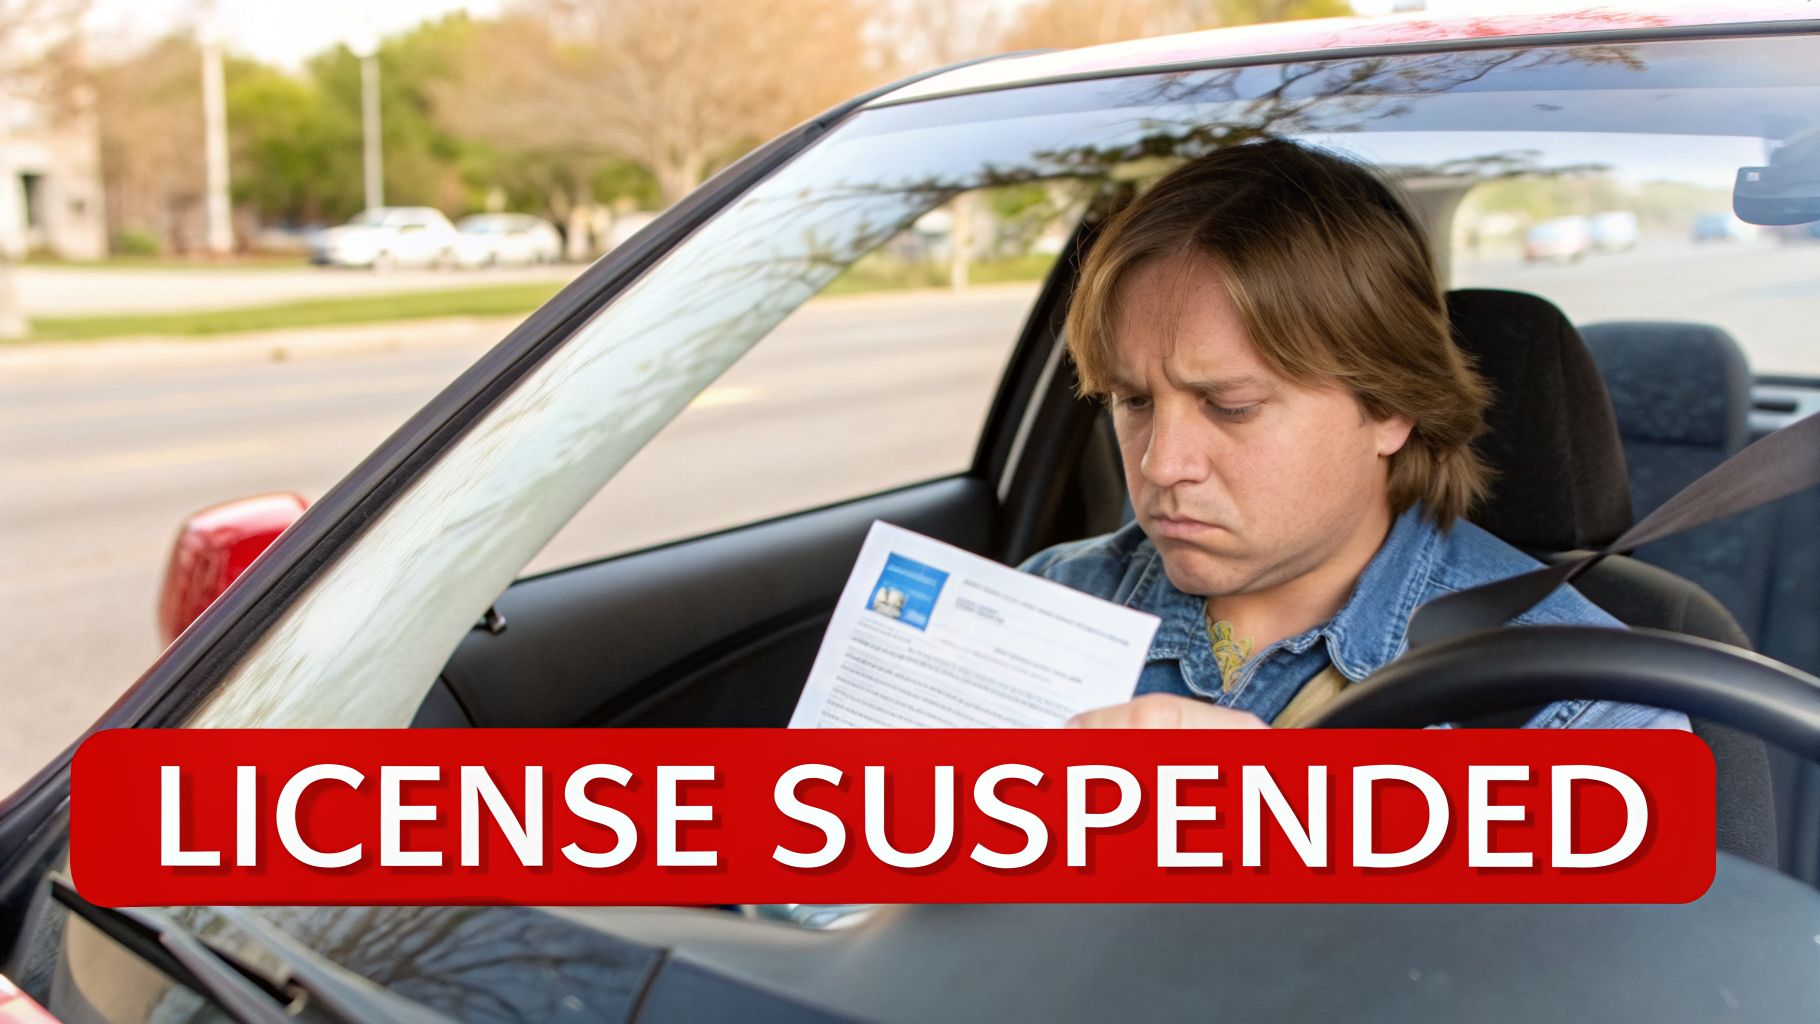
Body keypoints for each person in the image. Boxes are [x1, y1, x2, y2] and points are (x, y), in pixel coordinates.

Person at [1020, 139, 1684, 731]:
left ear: (1391, 407)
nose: (1161, 464)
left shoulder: (1577, 707)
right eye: (1133, 400)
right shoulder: (1046, 605)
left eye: (1231, 405)